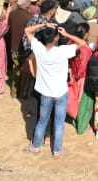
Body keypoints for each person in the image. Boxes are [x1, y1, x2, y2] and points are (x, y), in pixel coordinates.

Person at [26, 22, 84, 154]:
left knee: (42, 120)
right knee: (59, 123)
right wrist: (67, 34)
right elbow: (82, 43)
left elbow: (27, 31)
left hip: (45, 93)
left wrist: (44, 24)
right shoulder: (63, 51)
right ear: (56, 39)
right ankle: (57, 150)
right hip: (61, 92)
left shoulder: (39, 48)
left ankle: (35, 146)